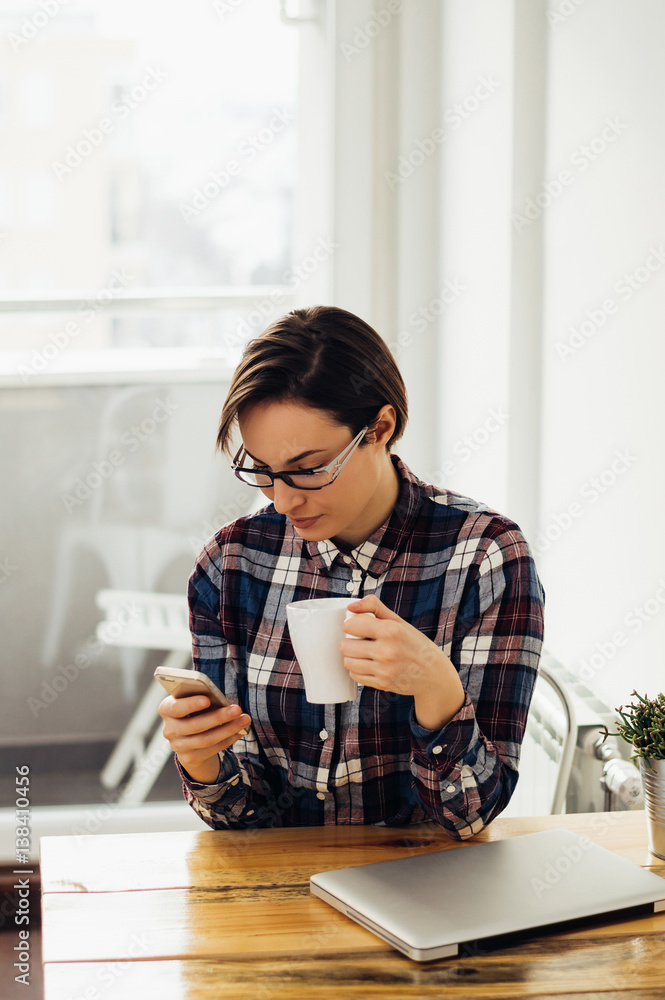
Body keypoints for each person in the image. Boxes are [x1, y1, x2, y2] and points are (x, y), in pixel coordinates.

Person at [158, 305, 545, 839]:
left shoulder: (484, 557)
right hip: (281, 893)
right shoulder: (231, 565)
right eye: (263, 471)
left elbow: (471, 816)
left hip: (427, 890)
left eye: (309, 468)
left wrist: (436, 690)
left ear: (380, 428)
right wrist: (202, 761)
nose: (284, 498)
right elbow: (241, 819)